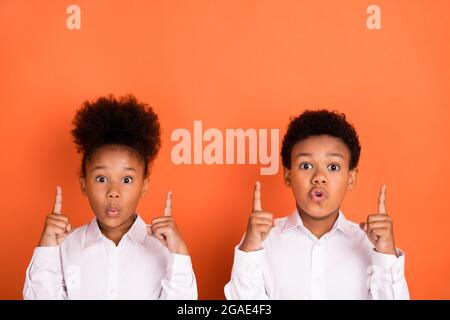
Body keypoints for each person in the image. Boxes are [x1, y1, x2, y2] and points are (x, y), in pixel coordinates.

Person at [23, 95, 197, 299]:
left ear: (144, 186)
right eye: (101, 178)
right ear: (84, 185)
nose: (113, 191)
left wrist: (179, 255)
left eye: (126, 180)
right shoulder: (64, 248)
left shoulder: (165, 251)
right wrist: (47, 250)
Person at [224, 109, 409, 299]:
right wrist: (250, 250)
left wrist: (386, 254)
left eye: (333, 167)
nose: (319, 177)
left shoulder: (371, 245)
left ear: (351, 178)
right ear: (288, 175)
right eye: (306, 165)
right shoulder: (263, 241)